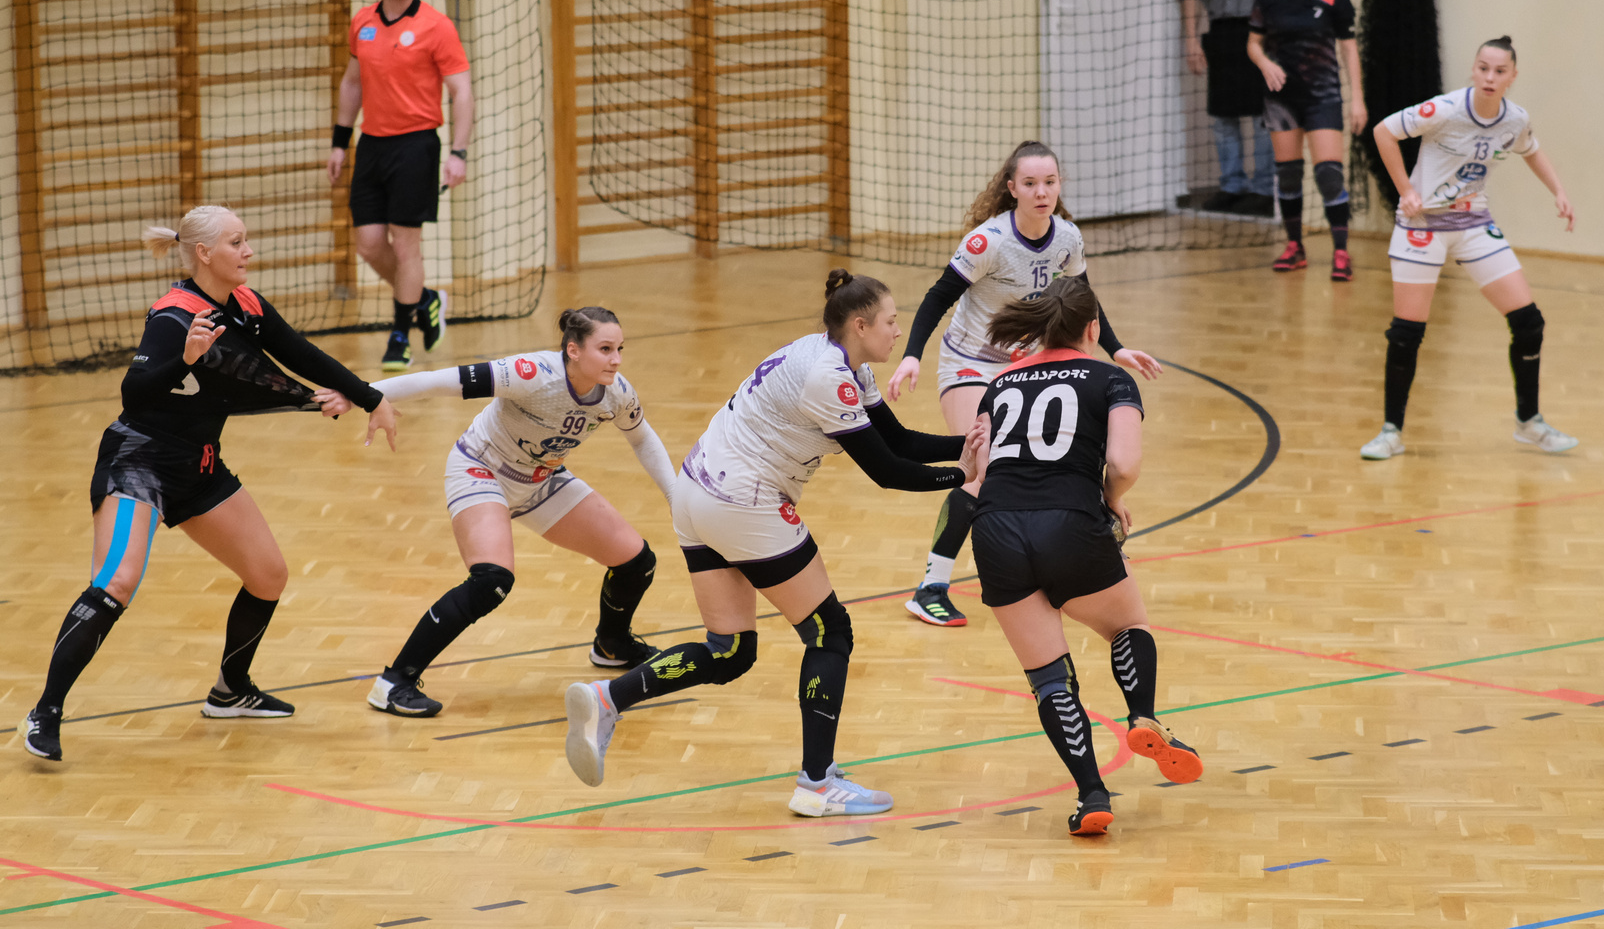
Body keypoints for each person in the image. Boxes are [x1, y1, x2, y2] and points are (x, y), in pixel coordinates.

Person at [562, 271, 985, 817]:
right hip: (742, 500)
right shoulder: (829, 377)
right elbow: (886, 470)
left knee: (730, 651)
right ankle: (817, 784)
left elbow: (898, 440)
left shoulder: (836, 360)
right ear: (861, 325)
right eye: (890, 321)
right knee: (830, 631)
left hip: (697, 491)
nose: (898, 332)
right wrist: (964, 475)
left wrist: (970, 442)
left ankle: (608, 699)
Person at [20, 206, 399, 762]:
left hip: (199, 465)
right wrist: (185, 360)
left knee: (268, 575)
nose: (248, 251)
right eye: (236, 242)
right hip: (139, 462)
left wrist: (371, 398)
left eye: (245, 240)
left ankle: (230, 691)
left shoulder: (246, 304)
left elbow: (300, 354)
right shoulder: (173, 316)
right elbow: (134, 394)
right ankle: (45, 712)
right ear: (204, 253)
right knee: (116, 581)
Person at [884, 141, 1161, 629]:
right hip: (971, 363)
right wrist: (911, 356)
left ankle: (1056, 562)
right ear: (1011, 188)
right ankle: (931, 587)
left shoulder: (1067, 238)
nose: (1041, 192)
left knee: (1047, 460)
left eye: (1049, 182)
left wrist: (1115, 348)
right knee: (980, 470)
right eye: (1030, 184)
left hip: (1026, 366)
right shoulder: (987, 242)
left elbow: (1083, 297)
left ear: (1059, 185)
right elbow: (937, 297)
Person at [968, 276, 1202, 837]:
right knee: (1127, 626)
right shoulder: (1110, 378)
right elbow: (1123, 464)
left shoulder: (999, 382)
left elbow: (976, 470)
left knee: (1048, 677)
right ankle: (1142, 714)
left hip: (994, 528)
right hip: (1069, 521)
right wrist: (1111, 499)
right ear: (1093, 329)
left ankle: (1092, 794)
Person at [362, 308, 679, 717]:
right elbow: (438, 381)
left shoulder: (616, 392)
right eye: (605, 349)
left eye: (619, 349)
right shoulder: (532, 373)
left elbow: (642, 439)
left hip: (541, 480)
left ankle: (612, 645)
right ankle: (394, 682)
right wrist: (361, 393)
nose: (616, 360)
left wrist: (676, 498)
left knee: (636, 562)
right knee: (491, 581)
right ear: (573, 350)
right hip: (482, 468)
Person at [1360, 36, 1578, 460]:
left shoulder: (1514, 119)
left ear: (1512, 76)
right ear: (1474, 70)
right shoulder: (1444, 109)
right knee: (1406, 333)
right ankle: (1390, 432)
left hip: (1474, 223)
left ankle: (1529, 422)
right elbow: (1383, 132)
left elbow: (1531, 150)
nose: (1490, 77)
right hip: (1422, 225)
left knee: (1529, 323)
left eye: (1499, 71)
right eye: (1483, 68)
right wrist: (1406, 190)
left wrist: (1559, 191)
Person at [328, 0, 474, 372]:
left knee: (406, 244)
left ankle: (400, 335)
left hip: (416, 145)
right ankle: (424, 300)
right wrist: (339, 142)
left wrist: (459, 152)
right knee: (369, 244)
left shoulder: (436, 26)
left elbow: (462, 91)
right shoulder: (363, 22)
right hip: (372, 145)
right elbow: (352, 82)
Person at [1247, 0, 1366, 279]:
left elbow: (1349, 49)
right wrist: (1265, 63)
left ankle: (1341, 252)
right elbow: (1253, 44)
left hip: (1323, 97)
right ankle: (1295, 246)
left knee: (1329, 175)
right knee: (1288, 175)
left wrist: (1357, 100)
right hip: (1281, 100)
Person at [1175, 0, 1276, 215]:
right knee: (1223, 116)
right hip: (1220, 33)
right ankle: (1232, 187)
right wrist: (1191, 40)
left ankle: (1264, 189)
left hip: (1260, 31)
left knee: (1263, 113)